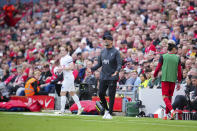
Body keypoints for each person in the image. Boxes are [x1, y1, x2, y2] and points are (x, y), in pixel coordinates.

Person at [91, 34, 122, 119]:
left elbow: (119, 64)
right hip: (103, 76)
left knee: (111, 95)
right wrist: (92, 68)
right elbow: (99, 64)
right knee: (100, 93)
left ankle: (110, 113)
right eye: (104, 40)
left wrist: (117, 71)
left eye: (107, 39)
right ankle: (107, 109)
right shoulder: (102, 51)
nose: (105, 41)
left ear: (111, 41)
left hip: (112, 76)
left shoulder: (116, 52)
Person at [153, 42, 182, 120]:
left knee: (164, 97)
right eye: (176, 49)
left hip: (165, 79)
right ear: (173, 49)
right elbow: (179, 71)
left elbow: (158, 68)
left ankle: (172, 111)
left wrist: (154, 76)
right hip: (173, 80)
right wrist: (179, 82)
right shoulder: (177, 58)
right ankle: (166, 115)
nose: (176, 51)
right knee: (169, 98)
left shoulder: (163, 56)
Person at [56, 47, 84, 115]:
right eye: (60, 50)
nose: (61, 52)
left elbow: (72, 67)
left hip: (69, 77)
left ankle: (62, 110)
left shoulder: (68, 58)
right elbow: (62, 68)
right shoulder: (62, 59)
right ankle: (80, 107)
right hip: (66, 77)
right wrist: (59, 70)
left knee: (62, 93)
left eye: (63, 50)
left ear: (66, 51)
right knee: (72, 93)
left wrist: (63, 68)